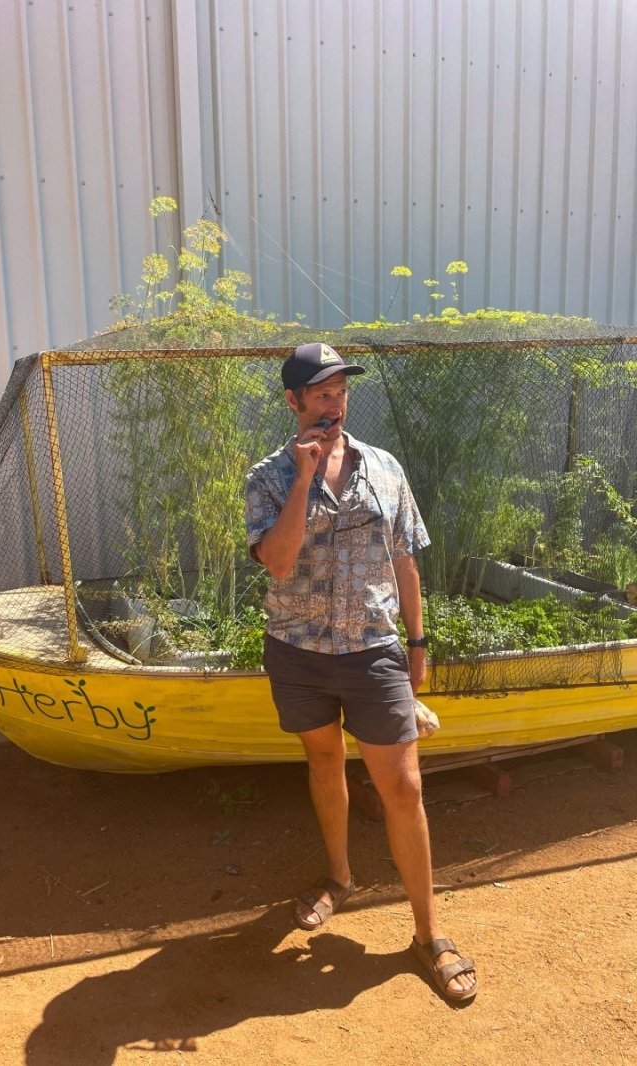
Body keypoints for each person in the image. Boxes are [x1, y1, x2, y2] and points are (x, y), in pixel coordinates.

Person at [244, 341, 477, 1003]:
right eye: (320, 393)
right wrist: (302, 477)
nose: (333, 403)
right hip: (298, 650)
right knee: (324, 762)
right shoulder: (267, 477)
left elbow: (405, 560)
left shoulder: (384, 468)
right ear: (293, 402)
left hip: (373, 648)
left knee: (402, 786)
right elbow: (280, 562)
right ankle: (340, 879)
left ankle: (429, 935)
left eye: (340, 390)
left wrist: (418, 644)